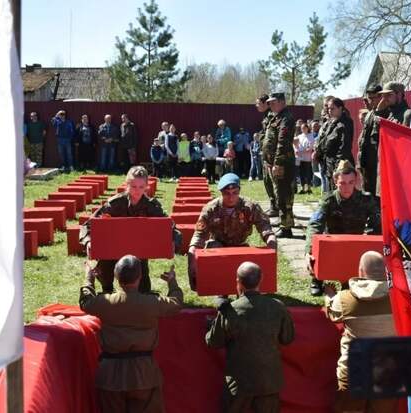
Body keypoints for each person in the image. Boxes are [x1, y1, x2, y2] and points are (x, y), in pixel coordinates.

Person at [80, 255, 183, 413]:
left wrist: (89, 278)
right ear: (140, 276)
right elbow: (176, 303)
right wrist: (172, 282)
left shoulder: (105, 302)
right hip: (144, 375)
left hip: (110, 377)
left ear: (115, 277)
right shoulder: (151, 303)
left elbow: (85, 302)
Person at [206, 261, 295, 413]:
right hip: (269, 383)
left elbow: (213, 342)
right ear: (261, 280)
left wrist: (216, 320)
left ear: (238, 282)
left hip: (239, 385)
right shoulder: (277, 307)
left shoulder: (230, 310)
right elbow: (287, 338)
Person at [80, 166, 176, 294]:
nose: (137, 191)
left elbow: (170, 226)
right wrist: (88, 242)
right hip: (113, 247)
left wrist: (174, 241)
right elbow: (88, 225)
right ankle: (107, 289)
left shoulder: (151, 206)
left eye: (141, 187)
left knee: (143, 291)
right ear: (127, 184)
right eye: (133, 186)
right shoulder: (115, 203)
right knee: (105, 270)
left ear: (147, 186)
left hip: (139, 252)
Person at [323, 251, 397, 413]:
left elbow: (332, 314)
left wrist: (329, 294)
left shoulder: (344, 299)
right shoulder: (399, 298)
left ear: (361, 272)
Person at [187, 173, 276, 290]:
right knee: (213, 250)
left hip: (240, 246)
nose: (231, 197)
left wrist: (271, 241)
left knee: (247, 267)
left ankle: (245, 291)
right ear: (221, 193)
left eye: (235, 193)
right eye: (226, 193)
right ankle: (220, 291)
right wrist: (192, 257)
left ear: (239, 191)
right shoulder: (210, 209)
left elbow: (265, 227)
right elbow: (199, 235)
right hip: (218, 245)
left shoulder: (250, 206)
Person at [305, 160, 381, 296]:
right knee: (319, 244)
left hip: (355, 245)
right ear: (335, 182)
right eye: (342, 183)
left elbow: (378, 223)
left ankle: (349, 276)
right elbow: (315, 224)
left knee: (350, 285)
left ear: (356, 181)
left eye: (351, 183)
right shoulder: (328, 200)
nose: (347, 188)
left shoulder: (366, 200)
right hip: (333, 244)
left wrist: (368, 236)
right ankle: (317, 279)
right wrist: (309, 250)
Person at [357, 82, 408, 195]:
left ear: (399, 94)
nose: (385, 99)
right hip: (379, 163)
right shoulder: (390, 115)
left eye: (388, 95)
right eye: (383, 96)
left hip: (394, 168)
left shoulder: (407, 114)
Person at [264, 92, 296, 238]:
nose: (270, 105)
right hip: (274, 163)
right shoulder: (275, 117)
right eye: (269, 103)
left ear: (282, 102)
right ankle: (284, 223)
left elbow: (282, 142)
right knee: (279, 194)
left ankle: (286, 227)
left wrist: (277, 162)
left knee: (284, 195)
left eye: (273, 102)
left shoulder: (286, 118)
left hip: (282, 163)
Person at [315, 97, 355, 192]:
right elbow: (323, 140)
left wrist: (338, 168)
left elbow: (344, 147)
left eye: (332, 108)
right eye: (328, 108)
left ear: (340, 108)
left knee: (340, 193)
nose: (329, 111)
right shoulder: (331, 122)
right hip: (328, 163)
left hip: (339, 164)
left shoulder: (345, 123)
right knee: (331, 192)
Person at [256, 94, 278, 217]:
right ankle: (273, 206)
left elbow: (272, 137)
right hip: (266, 154)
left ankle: (278, 208)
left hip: (271, 155)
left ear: (265, 104)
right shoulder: (266, 116)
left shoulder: (271, 116)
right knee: (267, 181)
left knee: (273, 182)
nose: (256, 106)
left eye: (258, 103)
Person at [296, 122, 314, 194]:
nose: (303, 129)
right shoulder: (299, 136)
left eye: (304, 128)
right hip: (300, 158)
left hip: (307, 158)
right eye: (302, 128)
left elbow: (310, 148)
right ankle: (302, 188)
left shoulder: (310, 136)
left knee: (308, 173)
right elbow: (296, 144)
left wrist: (302, 152)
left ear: (307, 128)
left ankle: (309, 188)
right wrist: (297, 150)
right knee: (301, 174)